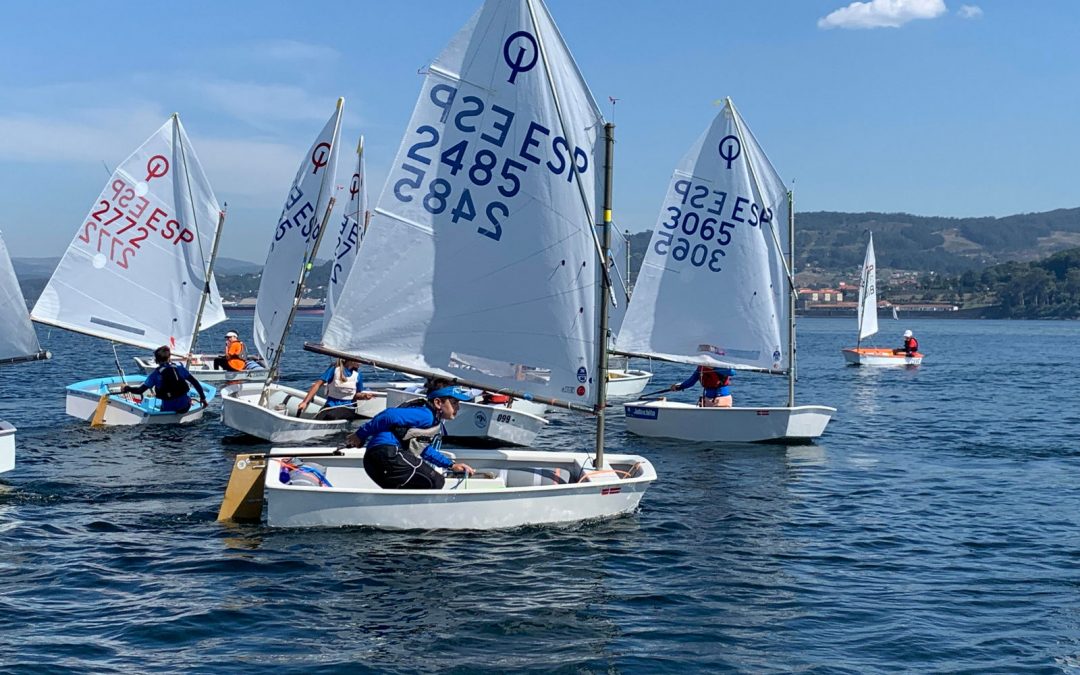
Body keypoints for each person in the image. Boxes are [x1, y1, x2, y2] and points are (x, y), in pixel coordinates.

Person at [345, 385, 476, 489]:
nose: (458, 407)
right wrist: (360, 435)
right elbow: (389, 415)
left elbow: (423, 449)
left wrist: (450, 465)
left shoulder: (431, 419)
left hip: (374, 461)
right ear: (438, 403)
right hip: (388, 454)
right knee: (436, 481)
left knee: (411, 489)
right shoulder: (426, 415)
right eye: (453, 402)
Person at [121, 346, 208, 413]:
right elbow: (195, 382)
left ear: (156, 360)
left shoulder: (154, 375)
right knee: (188, 399)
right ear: (169, 357)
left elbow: (140, 390)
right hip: (183, 408)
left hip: (167, 410)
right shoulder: (180, 368)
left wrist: (126, 388)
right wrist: (203, 398)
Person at [296, 358, 375, 419]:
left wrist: (364, 396)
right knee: (320, 417)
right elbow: (317, 385)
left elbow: (356, 395)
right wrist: (305, 402)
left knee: (331, 416)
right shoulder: (334, 370)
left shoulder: (358, 375)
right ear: (351, 360)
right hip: (330, 405)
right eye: (360, 360)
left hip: (347, 408)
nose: (361, 363)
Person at [670, 365, 735, 408]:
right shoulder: (701, 368)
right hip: (707, 400)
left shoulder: (719, 364)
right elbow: (691, 381)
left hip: (722, 399)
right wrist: (680, 386)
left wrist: (714, 367)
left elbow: (731, 372)